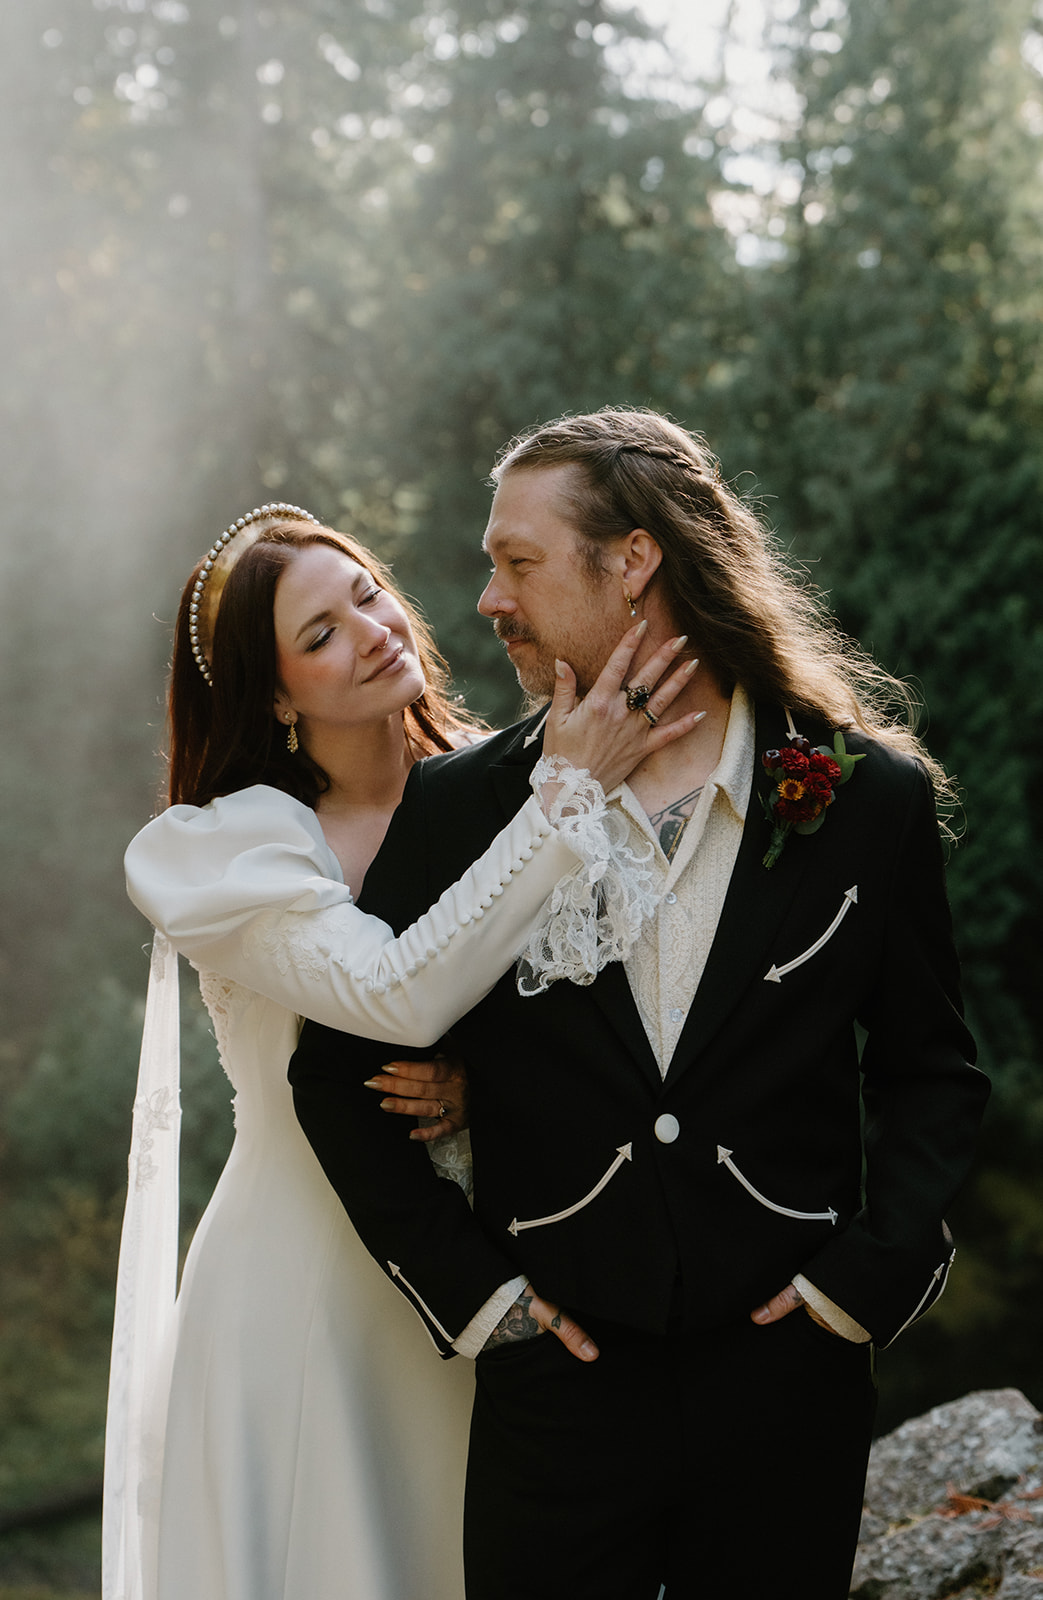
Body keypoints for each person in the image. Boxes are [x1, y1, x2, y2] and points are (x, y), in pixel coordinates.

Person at [289, 412, 990, 1600]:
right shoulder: (458, 809)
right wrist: (482, 1305)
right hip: (552, 1394)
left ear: (632, 561)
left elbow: (930, 1069)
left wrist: (858, 1290)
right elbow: (334, 1081)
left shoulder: (865, 796)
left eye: (517, 561)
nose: (487, 601)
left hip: (787, 1388)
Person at [104, 500, 703, 1600]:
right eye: (321, 633)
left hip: (486, 1269)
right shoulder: (227, 846)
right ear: (275, 693)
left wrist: (482, 1087)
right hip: (305, 1289)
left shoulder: (499, 786)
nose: (373, 628)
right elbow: (392, 993)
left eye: (367, 593)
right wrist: (569, 792)